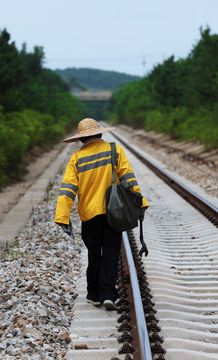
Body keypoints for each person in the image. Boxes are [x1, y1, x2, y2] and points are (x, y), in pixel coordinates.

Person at [54, 118, 148, 310]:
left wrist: (62, 216)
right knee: (111, 251)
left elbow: (68, 189)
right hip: (113, 212)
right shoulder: (114, 150)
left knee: (94, 252)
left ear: (81, 140)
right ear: (100, 133)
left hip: (89, 214)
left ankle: (94, 294)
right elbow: (128, 179)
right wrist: (141, 203)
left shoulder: (77, 159)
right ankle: (108, 295)